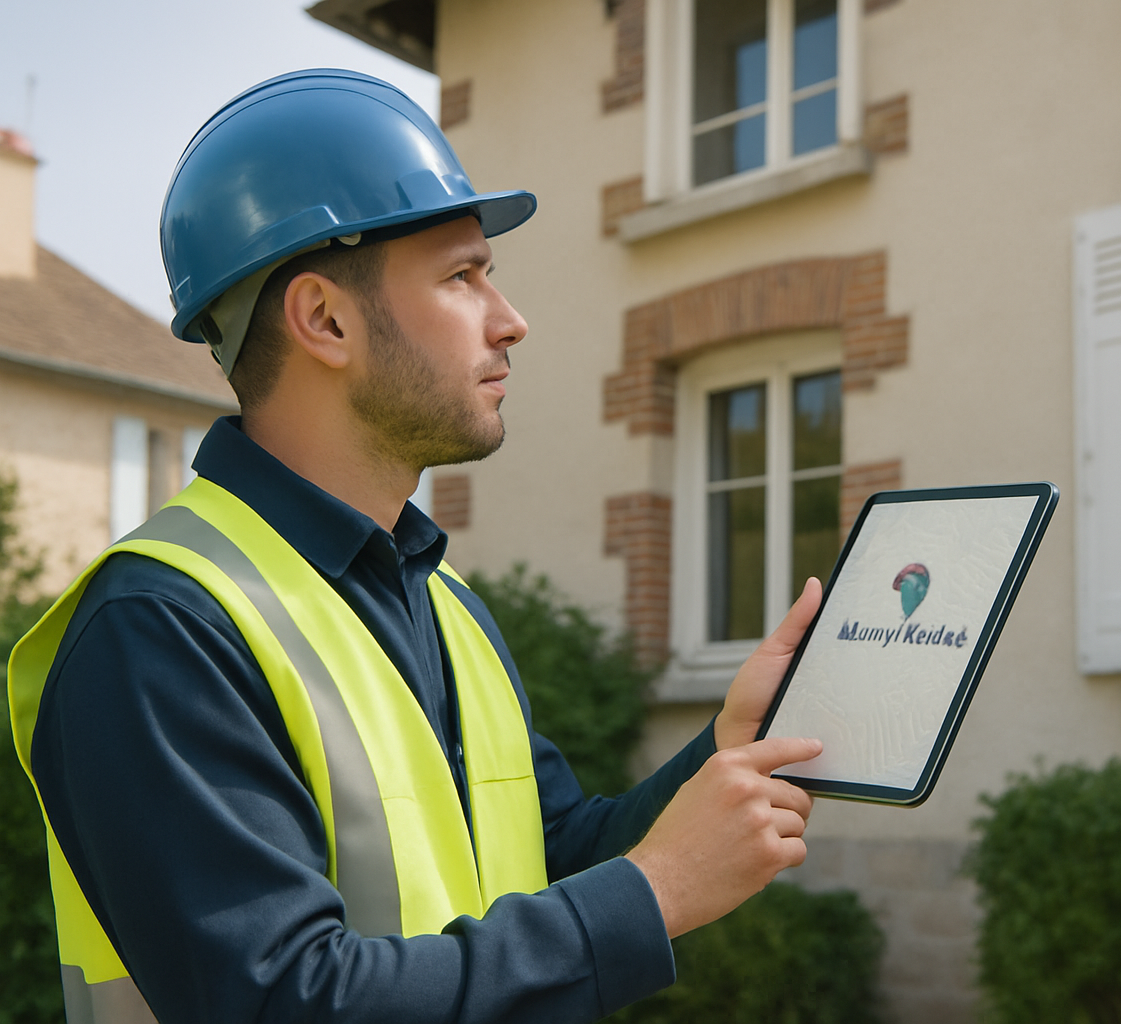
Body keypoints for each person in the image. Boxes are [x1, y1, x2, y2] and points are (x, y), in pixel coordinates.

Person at [8, 69, 823, 1023]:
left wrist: (727, 752)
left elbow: (548, 857)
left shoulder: (440, 600)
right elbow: (285, 999)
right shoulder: (158, 628)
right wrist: (656, 893)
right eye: (462, 275)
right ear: (325, 319)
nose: (511, 318)